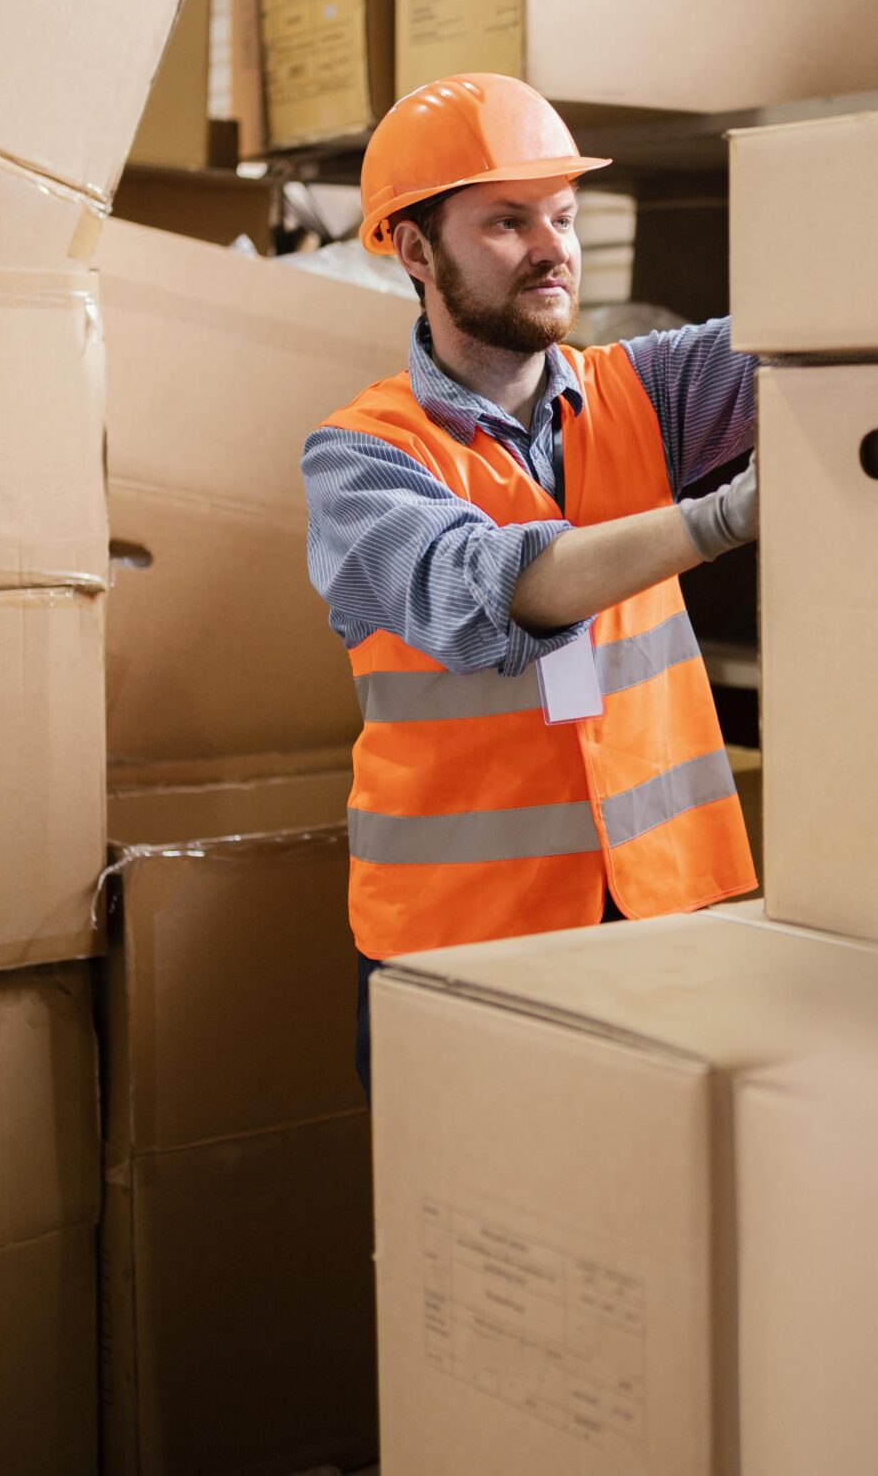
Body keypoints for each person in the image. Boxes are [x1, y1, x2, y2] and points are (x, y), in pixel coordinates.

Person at [302, 73, 760, 1094]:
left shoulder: (643, 391)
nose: (553, 247)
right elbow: (485, 594)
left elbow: (818, 336)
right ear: (416, 250)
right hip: (463, 953)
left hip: (667, 923)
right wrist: (722, 517)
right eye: (506, 222)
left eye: (561, 215)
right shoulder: (360, 459)